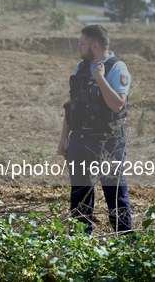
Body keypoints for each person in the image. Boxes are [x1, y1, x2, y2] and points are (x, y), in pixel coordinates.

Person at [57, 25, 133, 235]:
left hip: (108, 142)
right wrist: (63, 138)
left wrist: (100, 77)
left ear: (95, 45)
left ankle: (126, 241)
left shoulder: (117, 68)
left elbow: (117, 105)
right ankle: (80, 242)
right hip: (80, 141)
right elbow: (72, 104)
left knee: (115, 194)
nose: (79, 47)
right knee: (80, 195)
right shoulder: (81, 68)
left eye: (82, 43)